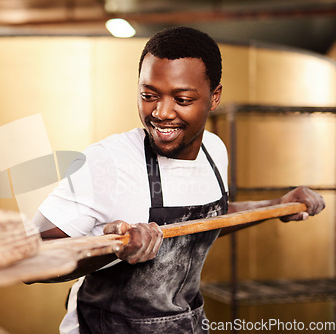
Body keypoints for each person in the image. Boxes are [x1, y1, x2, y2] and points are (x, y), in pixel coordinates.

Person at [32, 27, 325, 334]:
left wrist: (276, 205)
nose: (161, 112)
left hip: (185, 324)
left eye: (182, 99)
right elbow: (34, 259)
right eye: (149, 96)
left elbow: (205, 220)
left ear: (214, 98)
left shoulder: (214, 151)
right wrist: (113, 250)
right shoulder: (107, 162)